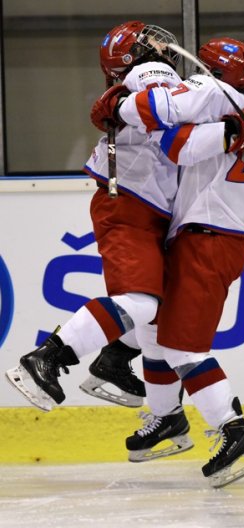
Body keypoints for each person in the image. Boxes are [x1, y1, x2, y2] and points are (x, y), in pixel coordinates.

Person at [100, 37, 244, 486]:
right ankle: (166, 418)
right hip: (209, 237)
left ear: (215, 74)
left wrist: (115, 100)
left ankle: (233, 429)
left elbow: (173, 144)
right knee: (158, 331)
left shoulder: (208, 95)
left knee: (182, 346)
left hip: (208, 239)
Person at [5, 21, 184, 416]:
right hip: (131, 204)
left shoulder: (134, 76)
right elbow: (171, 107)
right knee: (138, 302)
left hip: (143, 204)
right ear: (136, 54)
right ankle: (45, 359)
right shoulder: (152, 72)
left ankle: (114, 362)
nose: (165, 49)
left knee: (161, 306)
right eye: (153, 43)